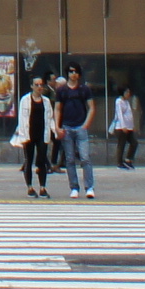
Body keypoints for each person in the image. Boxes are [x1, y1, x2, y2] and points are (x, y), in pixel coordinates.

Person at [54, 65, 97, 200]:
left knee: (85, 158)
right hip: (67, 127)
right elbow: (57, 109)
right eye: (71, 71)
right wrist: (57, 126)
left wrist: (86, 124)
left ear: (79, 74)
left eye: (76, 72)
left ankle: (89, 187)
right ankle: (74, 187)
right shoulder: (61, 90)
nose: (73, 74)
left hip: (80, 127)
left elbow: (91, 107)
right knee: (70, 159)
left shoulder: (84, 89)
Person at [15, 73, 57, 198]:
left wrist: (55, 131)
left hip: (42, 134)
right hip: (29, 134)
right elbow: (22, 119)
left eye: (41, 85)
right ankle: (29, 187)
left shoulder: (46, 101)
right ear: (32, 86)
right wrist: (22, 135)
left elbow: (50, 118)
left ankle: (43, 187)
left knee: (41, 160)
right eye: (36, 85)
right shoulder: (25, 100)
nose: (39, 87)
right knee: (28, 160)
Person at [110, 78, 140, 171]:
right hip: (121, 127)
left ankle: (128, 160)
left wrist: (132, 126)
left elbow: (129, 115)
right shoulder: (119, 101)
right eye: (126, 92)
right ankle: (119, 163)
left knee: (134, 143)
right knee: (121, 144)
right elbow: (120, 115)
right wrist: (123, 126)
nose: (128, 94)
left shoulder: (126, 102)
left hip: (129, 127)